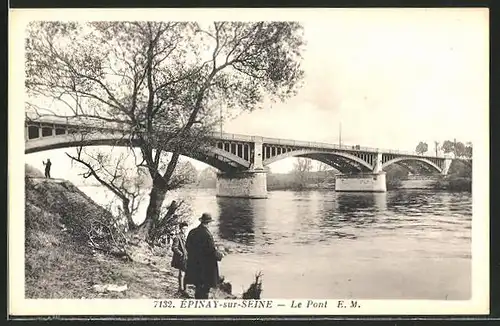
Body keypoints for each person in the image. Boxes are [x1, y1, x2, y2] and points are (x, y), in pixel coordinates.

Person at [185, 213, 224, 299]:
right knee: (205, 289)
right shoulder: (207, 235)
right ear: (208, 223)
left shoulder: (192, 232)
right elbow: (211, 251)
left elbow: (187, 246)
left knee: (198, 286)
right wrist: (220, 255)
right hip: (206, 267)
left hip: (194, 264)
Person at [171, 222, 189, 294]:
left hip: (186, 258)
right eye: (183, 229)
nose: (184, 230)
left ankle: (184, 290)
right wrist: (181, 253)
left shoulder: (185, 236)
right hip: (180, 258)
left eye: (186, 229)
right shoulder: (177, 237)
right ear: (180, 229)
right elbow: (174, 248)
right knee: (181, 274)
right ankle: (181, 290)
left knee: (186, 274)